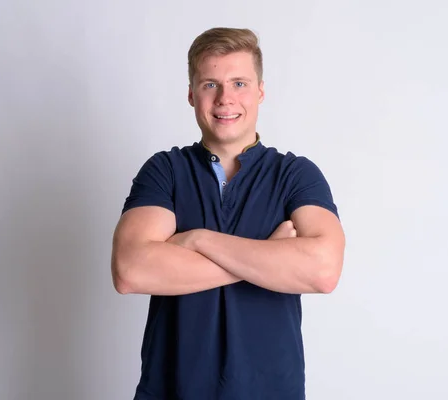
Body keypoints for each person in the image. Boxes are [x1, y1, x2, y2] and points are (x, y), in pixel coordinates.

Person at [111, 27, 345, 400]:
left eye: (239, 83)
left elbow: (323, 271)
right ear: (191, 94)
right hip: (171, 389)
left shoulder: (295, 175)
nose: (225, 98)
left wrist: (197, 239)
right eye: (210, 84)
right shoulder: (165, 171)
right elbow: (130, 271)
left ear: (260, 92)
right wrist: (268, 255)